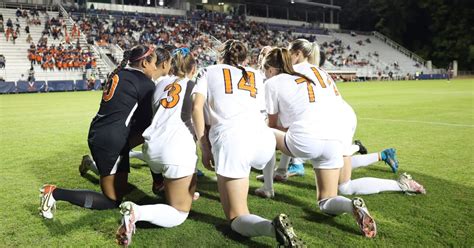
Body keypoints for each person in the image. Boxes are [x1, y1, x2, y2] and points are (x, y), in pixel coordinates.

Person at [192, 39, 304, 247]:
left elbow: (197, 108)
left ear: (220, 56)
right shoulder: (255, 74)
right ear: (245, 58)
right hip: (263, 140)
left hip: (233, 139)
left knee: (236, 217)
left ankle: (272, 228)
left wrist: (204, 147)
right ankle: (271, 183)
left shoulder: (208, 71)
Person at [39, 45, 171, 219]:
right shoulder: (145, 84)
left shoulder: (119, 73)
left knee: (119, 185)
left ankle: (90, 163)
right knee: (112, 200)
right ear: (145, 63)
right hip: (112, 139)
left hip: (101, 131)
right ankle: (54, 193)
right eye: (154, 63)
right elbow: (146, 125)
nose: (156, 67)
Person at [288, 39, 426, 196]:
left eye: (289, 53)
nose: (286, 57)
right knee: (335, 163)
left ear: (298, 54)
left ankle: (401, 184)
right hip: (343, 115)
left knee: (343, 186)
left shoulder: (295, 71)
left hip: (334, 121)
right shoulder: (319, 71)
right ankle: (381, 160)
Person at [263, 47, 376, 238]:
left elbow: (273, 125)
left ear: (270, 68)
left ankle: (267, 186)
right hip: (333, 139)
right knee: (326, 200)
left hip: (305, 140)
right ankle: (351, 205)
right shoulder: (308, 77)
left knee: (264, 132)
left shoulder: (272, 82)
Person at [115, 47, 198, 246]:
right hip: (175, 151)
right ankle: (138, 211)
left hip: (152, 148)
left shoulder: (159, 84)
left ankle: (171, 186)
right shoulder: (196, 85)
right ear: (193, 68)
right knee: (179, 213)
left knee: (184, 182)